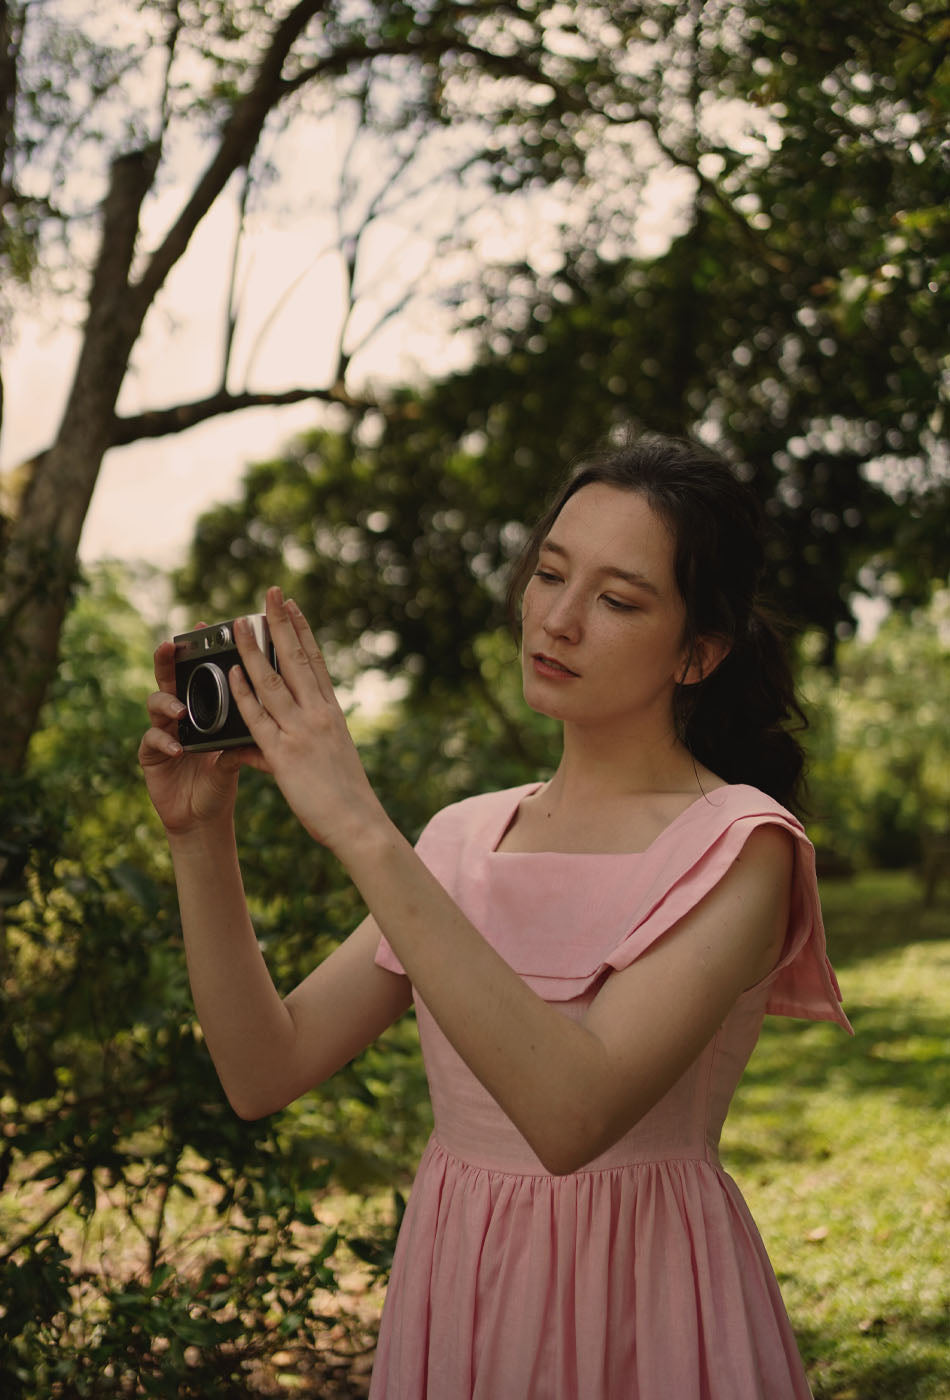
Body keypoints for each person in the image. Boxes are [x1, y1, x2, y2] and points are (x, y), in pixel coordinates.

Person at [139, 430, 852, 1400]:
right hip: (459, 1291)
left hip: (647, 1307)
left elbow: (569, 1115)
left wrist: (359, 823)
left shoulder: (739, 845)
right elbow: (263, 1069)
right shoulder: (464, 838)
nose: (556, 618)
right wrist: (198, 836)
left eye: (615, 598)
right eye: (548, 573)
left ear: (698, 652)